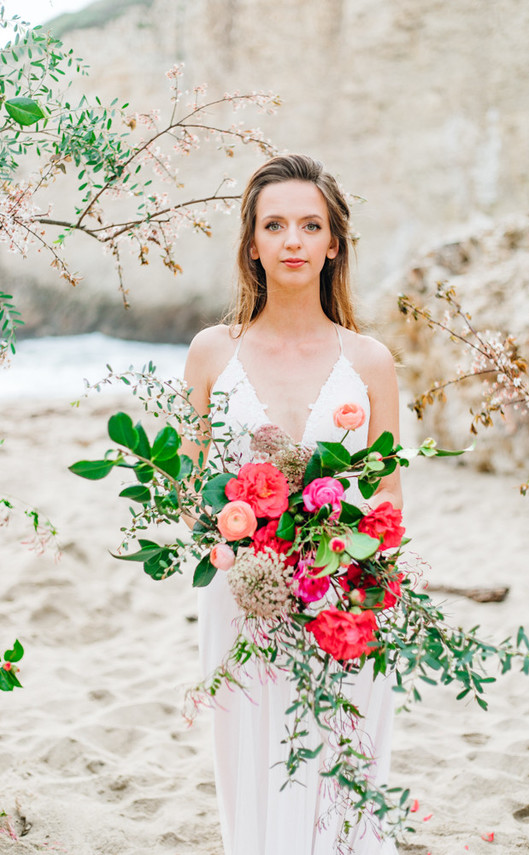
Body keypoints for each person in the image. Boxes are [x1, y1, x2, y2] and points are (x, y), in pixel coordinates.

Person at [182, 154, 402, 855]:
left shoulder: (370, 361)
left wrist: (362, 569)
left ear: (335, 242)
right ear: (251, 242)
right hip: (243, 593)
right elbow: (192, 487)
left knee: (341, 771)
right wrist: (236, 538)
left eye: (311, 225)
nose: (293, 240)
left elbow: (389, 492)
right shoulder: (213, 352)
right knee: (252, 766)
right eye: (274, 225)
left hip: (345, 595)